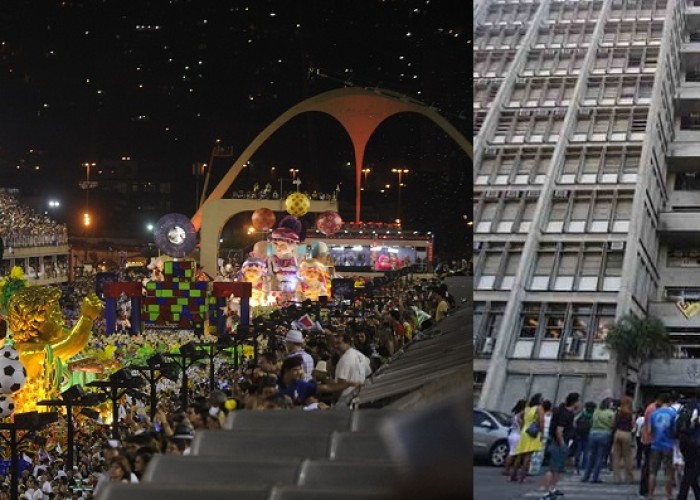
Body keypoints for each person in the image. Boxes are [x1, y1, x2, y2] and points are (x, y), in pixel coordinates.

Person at [540, 392, 580, 500]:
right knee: (552, 469)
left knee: (557, 469)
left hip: (562, 442)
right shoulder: (565, 414)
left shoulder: (566, 412)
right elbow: (559, 430)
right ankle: (546, 492)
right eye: (578, 401)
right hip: (558, 444)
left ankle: (552, 488)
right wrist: (563, 444)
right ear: (574, 402)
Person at [510, 393, 545, 483]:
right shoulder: (539, 408)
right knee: (528, 456)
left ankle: (513, 476)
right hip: (532, 433)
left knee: (519, 455)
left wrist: (522, 427)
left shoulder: (527, 408)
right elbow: (541, 421)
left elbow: (519, 417)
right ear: (539, 400)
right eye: (542, 399)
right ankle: (523, 477)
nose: (543, 400)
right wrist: (542, 432)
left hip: (524, 431)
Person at [648, 393, 677, 500]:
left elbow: (650, 430)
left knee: (653, 472)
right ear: (669, 402)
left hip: (655, 445)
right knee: (668, 472)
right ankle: (668, 495)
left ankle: (651, 494)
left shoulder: (654, 414)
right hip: (668, 445)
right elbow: (675, 430)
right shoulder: (672, 413)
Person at [581, 397, 615, 483]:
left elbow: (591, 421)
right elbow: (612, 424)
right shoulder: (611, 413)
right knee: (600, 457)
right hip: (604, 433)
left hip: (593, 433)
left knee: (591, 455)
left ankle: (586, 476)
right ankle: (595, 477)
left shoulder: (596, 412)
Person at [677, 398, 700, 500]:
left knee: (691, 469)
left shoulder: (686, 407)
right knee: (691, 471)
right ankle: (682, 496)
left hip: (684, 441)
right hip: (695, 443)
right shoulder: (698, 408)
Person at [611, 395, 635, 484]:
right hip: (626, 434)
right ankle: (629, 478)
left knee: (616, 457)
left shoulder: (618, 412)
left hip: (617, 433)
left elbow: (613, 423)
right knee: (627, 457)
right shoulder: (630, 414)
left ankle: (616, 478)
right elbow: (633, 426)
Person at [504, 399, 527, 478]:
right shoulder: (521, 414)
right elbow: (522, 425)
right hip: (517, 435)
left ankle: (506, 469)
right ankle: (510, 470)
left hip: (512, 434)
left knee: (511, 452)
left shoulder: (514, 413)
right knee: (514, 454)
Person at [573, 401, 596, 474]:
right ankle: (584, 465)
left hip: (579, 433)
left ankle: (577, 463)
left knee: (578, 449)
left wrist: (576, 428)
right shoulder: (593, 415)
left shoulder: (582, 413)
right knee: (587, 450)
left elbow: (574, 420)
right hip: (589, 433)